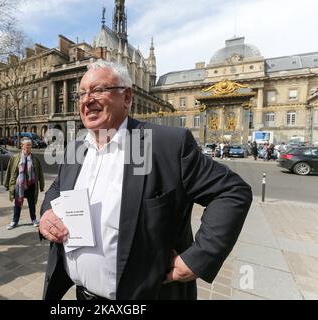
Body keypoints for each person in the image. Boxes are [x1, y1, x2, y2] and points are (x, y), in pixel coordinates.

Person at [38, 61, 252, 300]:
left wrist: (198, 258)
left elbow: (232, 191)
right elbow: (58, 188)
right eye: (82, 93)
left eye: (98, 90)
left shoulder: (165, 144)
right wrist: (47, 212)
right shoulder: (76, 148)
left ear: (127, 97)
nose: (87, 100)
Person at [4, 138, 44, 230]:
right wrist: (7, 184)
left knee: (32, 203)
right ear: (22, 146)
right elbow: (10, 171)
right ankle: (14, 221)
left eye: (30, 145)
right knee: (17, 203)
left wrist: (41, 185)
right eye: (28, 145)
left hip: (31, 184)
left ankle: (34, 219)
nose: (30, 147)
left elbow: (40, 173)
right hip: (19, 185)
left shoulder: (34, 159)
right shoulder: (15, 157)